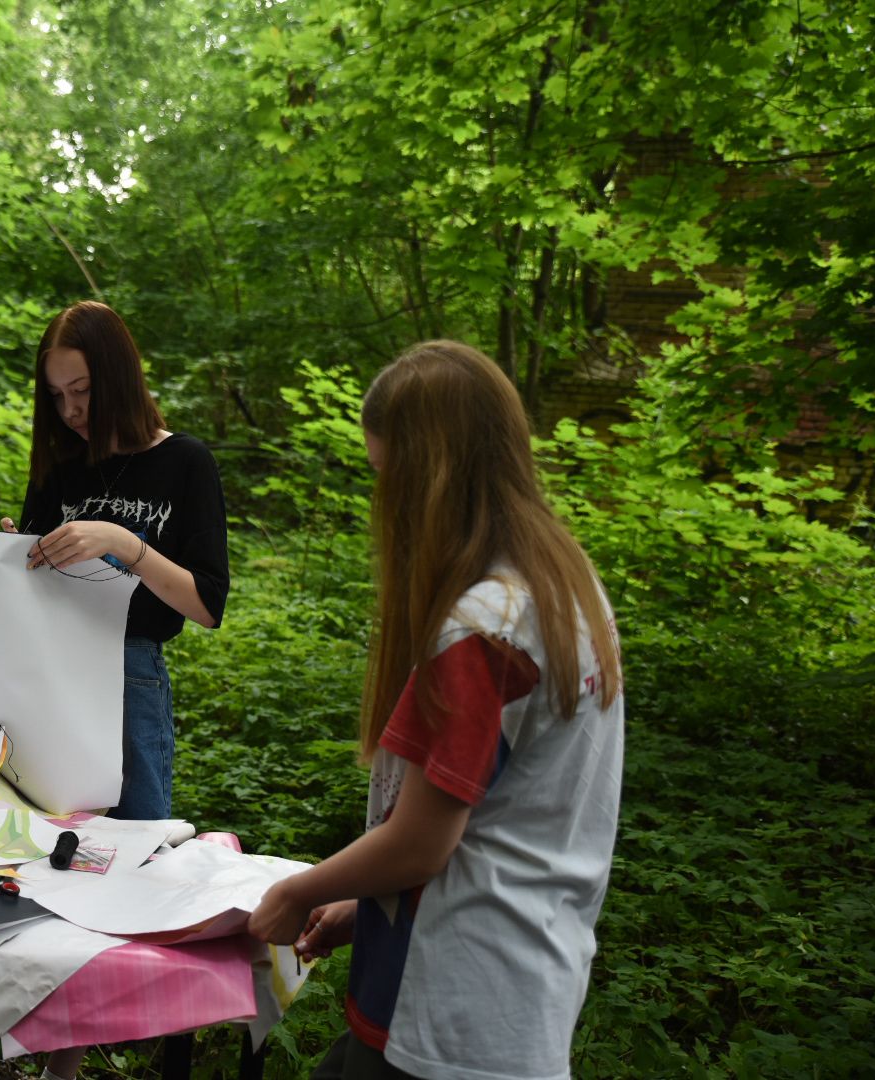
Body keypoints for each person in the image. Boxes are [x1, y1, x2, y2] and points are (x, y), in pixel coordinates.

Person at [247, 341, 625, 1080]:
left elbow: (422, 842)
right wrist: (365, 904)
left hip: (453, 1012)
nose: (383, 505)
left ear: (430, 478)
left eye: (386, 478)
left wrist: (297, 890)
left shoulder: (481, 631)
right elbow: (502, 815)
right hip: (519, 985)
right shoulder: (562, 589)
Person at [0, 299, 229, 1080]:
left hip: (130, 679)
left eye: (84, 391)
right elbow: (28, 578)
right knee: (45, 863)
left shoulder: (184, 462)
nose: (72, 411)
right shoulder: (62, 467)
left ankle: (155, 1037)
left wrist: (126, 545)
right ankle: (60, 1059)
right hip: (43, 676)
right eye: (57, 396)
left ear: (120, 377)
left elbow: (207, 604)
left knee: (134, 864)